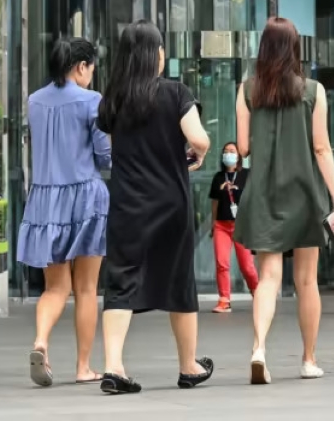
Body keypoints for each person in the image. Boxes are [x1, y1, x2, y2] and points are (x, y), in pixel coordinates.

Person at [96, 20, 213, 395]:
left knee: (120, 282)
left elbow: (115, 149)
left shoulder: (112, 100)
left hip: (128, 203)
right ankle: (188, 366)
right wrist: (197, 152)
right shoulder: (176, 93)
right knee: (179, 281)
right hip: (171, 204)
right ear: (157, 55)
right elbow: (199, 137)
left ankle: (113, 366)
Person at [234, 17, 334, 384]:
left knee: (268, 277)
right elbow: (321, 147)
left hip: (264, 191)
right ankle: (308, 359)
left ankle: (258, 349)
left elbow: (245, 147)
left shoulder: (247, 90)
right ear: (295, 47)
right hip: (304, 192)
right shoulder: (313, 91)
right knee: (306, 281)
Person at [17, 38, 110, 387]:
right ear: (81, 66)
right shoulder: (92, 101)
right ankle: (84, 366)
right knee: (86, 288)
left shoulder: (34, 101)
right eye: (91, 68)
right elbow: (103, 154)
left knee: (55, 288)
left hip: (45, 200)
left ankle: (41, 341)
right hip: (85, 196)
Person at [208, 142, 259, 314]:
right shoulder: (218, 177)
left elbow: (254, 199)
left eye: (232, 151)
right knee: (222, 263)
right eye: (225, 151)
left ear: (239, 156)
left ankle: (258, 293)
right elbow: (214, 202)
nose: (228, 154)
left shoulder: (247, 175)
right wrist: (213, 224)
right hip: (222, 225)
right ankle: (224, 300)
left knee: (247, 266)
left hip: (242, 225)